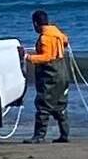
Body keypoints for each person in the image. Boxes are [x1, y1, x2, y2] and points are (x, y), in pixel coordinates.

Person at [23, 10, 71, 144]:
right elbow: (66, 41)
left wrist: (28, 57)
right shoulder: (57, 32)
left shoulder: (45, 37)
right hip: (62, 73)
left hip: (50, 75)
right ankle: (64, 134)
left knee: (43, 104)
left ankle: (39, 135)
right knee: (60, 104)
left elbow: (46, 57)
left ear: (35, 23)